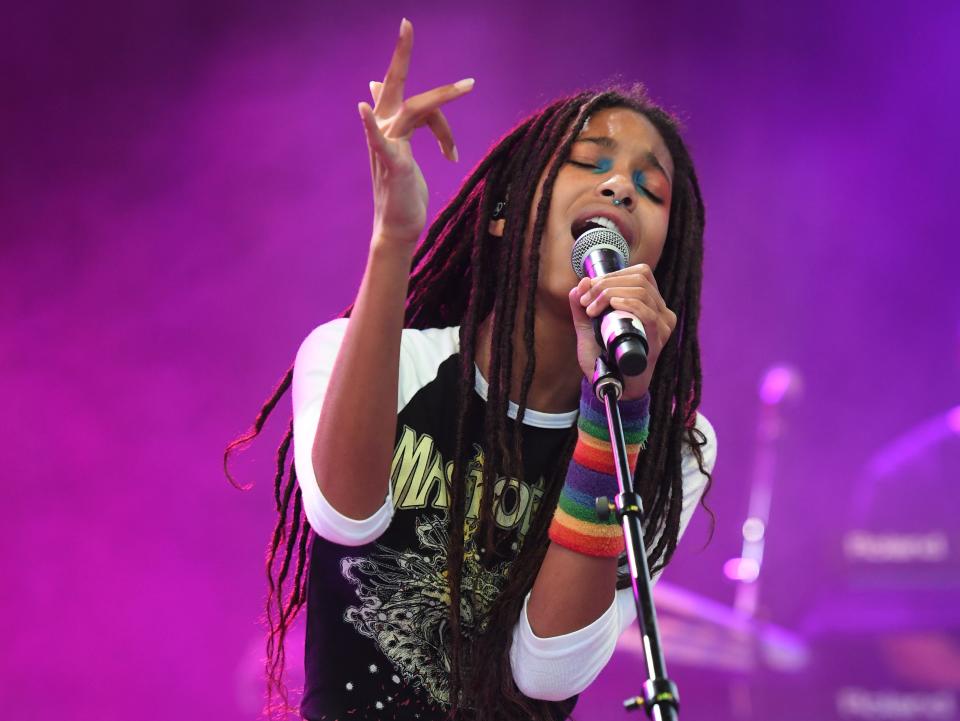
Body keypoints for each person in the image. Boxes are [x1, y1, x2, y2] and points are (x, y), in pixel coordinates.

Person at [226, 18, 716, 721]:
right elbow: (344, 513)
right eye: (591, 161)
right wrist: (394, 235)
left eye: (651, 187)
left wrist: (623, 408)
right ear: (505, 214)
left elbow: (547, 669)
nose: (621, 188)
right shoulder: (361, 358)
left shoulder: (671, 447)